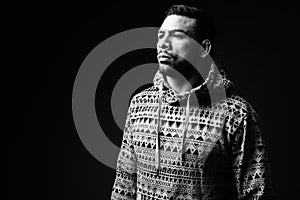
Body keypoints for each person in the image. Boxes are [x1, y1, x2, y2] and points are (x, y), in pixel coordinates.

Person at [111, 4, 272, 200]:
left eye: (177, 36)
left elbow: (256, 194)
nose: (163, 44)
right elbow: (124, 184)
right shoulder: (140, 104)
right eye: (161, 36)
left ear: (204, 48)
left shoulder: (237, 114)